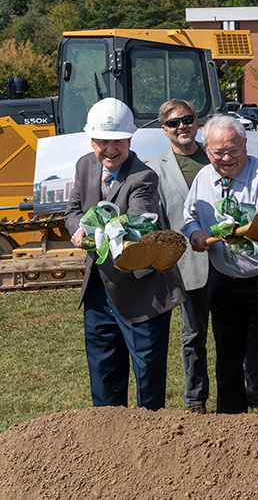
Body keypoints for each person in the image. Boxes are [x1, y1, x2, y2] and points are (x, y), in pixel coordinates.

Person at [66, 98, 185, 410]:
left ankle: (148, 443)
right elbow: (73, 211)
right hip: (99, 290)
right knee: (104, 373)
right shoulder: (84, 166)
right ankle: (108, 441)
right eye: (102, 142)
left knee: (147, 377)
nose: (109, 150)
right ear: (91, 140)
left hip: (141, 290)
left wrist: (91, 231)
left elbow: (135, 227)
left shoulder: (144, 178)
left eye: (117, 142)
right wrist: (78, 227)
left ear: (129, 140)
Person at [181, 114, 258, 420]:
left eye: (233, 151)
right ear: (206, 151)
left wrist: (241, 233)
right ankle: (230, 425)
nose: (226, 159)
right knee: (228, 356)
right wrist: (195, 232)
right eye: (218, 153)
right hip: (223, 280)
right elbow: (190, 215)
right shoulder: (203, 178)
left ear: (245, 145)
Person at [150, 99, 212, 414]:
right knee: (194, 334)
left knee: (246, 328)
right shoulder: (154, 170)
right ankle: (195, 399)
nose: (182, 127)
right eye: (174, 123)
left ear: (196, 122)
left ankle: (253, 385)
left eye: (187, 119)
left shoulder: (217, 156)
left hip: (229, 260)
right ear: (165, 129)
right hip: (186, 267)